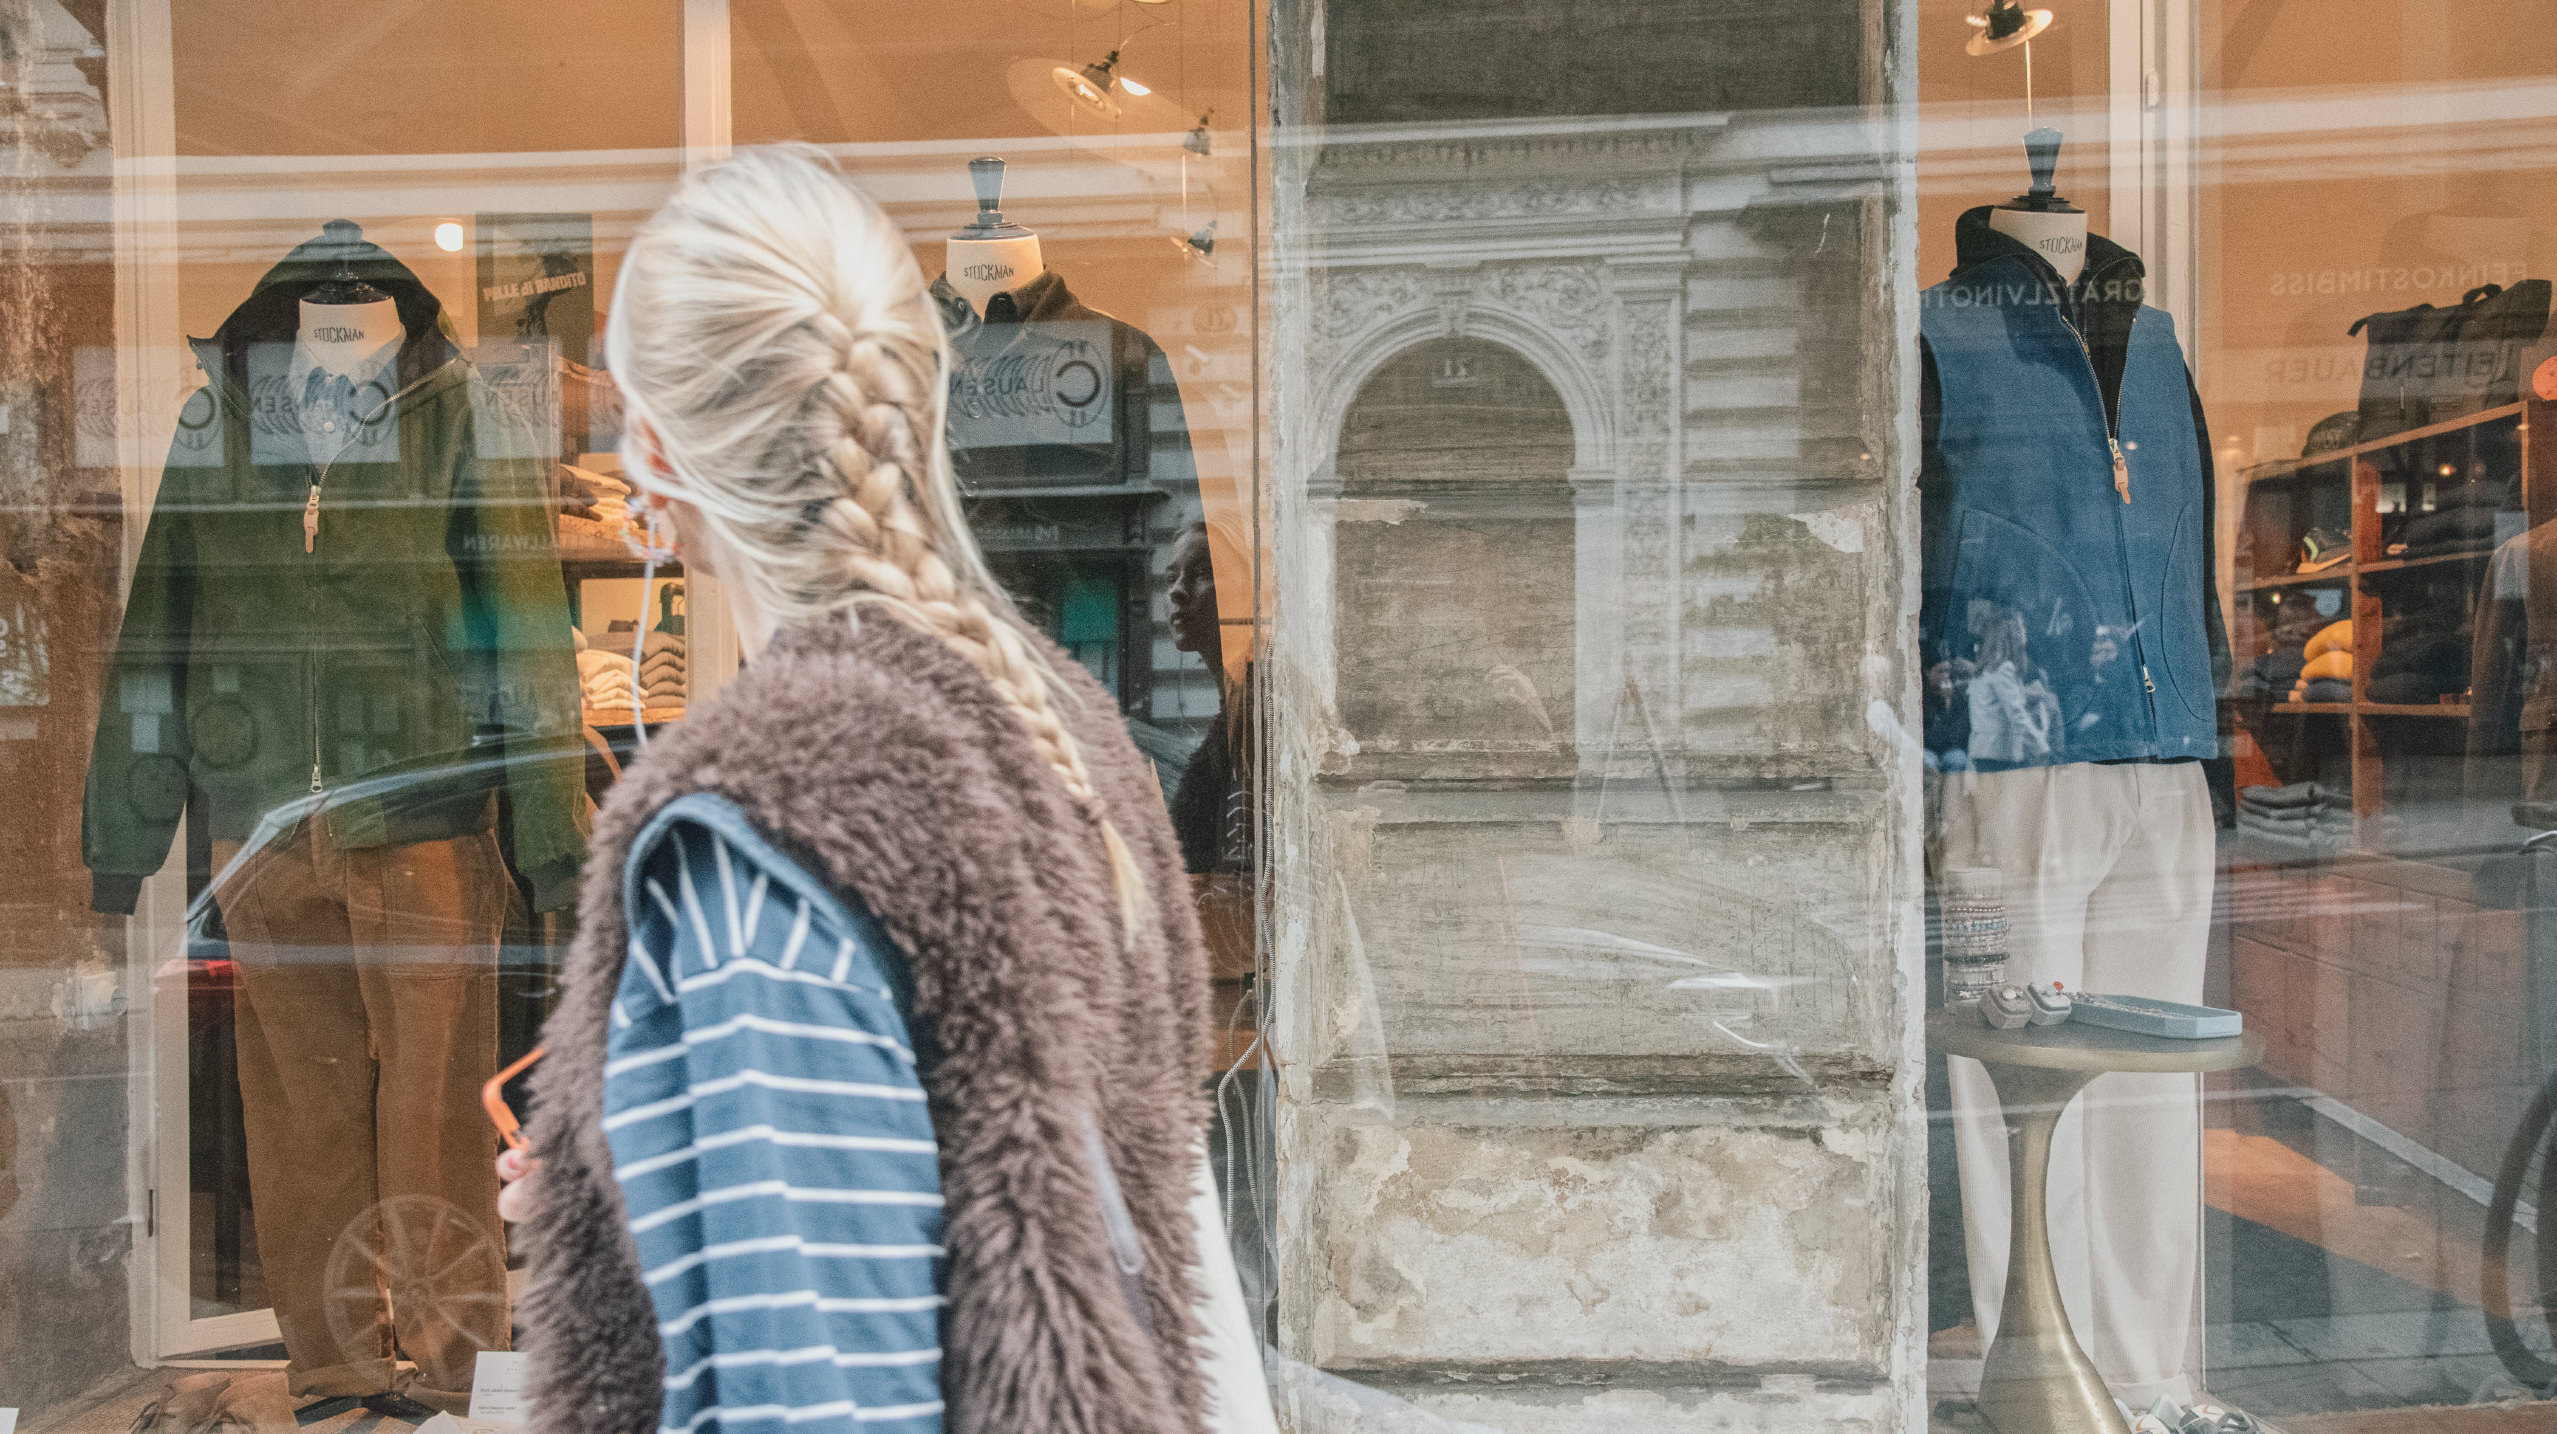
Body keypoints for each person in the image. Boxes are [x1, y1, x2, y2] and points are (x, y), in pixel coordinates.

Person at [497, 146, 1275, 1434]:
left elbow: (820, 1399)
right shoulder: (1053, 737)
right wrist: (644, 1175)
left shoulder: (764, 831)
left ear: (648, 458)